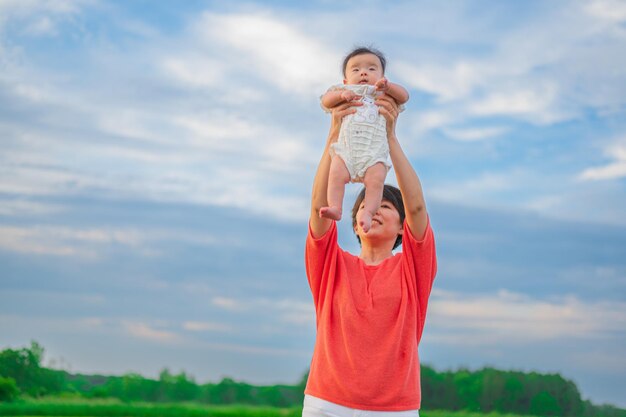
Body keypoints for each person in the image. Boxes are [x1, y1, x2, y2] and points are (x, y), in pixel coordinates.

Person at [303, 90, 437, 415]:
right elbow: (319, 206)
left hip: (395, 409)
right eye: (364, 206)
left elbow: (417, 207)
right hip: (327, 404)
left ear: (403, 228)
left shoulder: (411, 269)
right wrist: (335, 133)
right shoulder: (332, 265)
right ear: (355, 224)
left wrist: (388, 137)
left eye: (386, 206)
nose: (373, 210)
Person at [319, 47, 409, 233]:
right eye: (356, 69)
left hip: (373, 152)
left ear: (383, 76)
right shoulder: (345, 90)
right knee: (335, 174)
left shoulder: (382, 93)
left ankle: (368, 212)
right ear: (345, 80)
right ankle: (335, 207)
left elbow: (404, 96)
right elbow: (326, 100)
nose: (363, 72)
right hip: (347, 150)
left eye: (371, 68)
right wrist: (340, 95)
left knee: (376, 181)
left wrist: (389, 87)